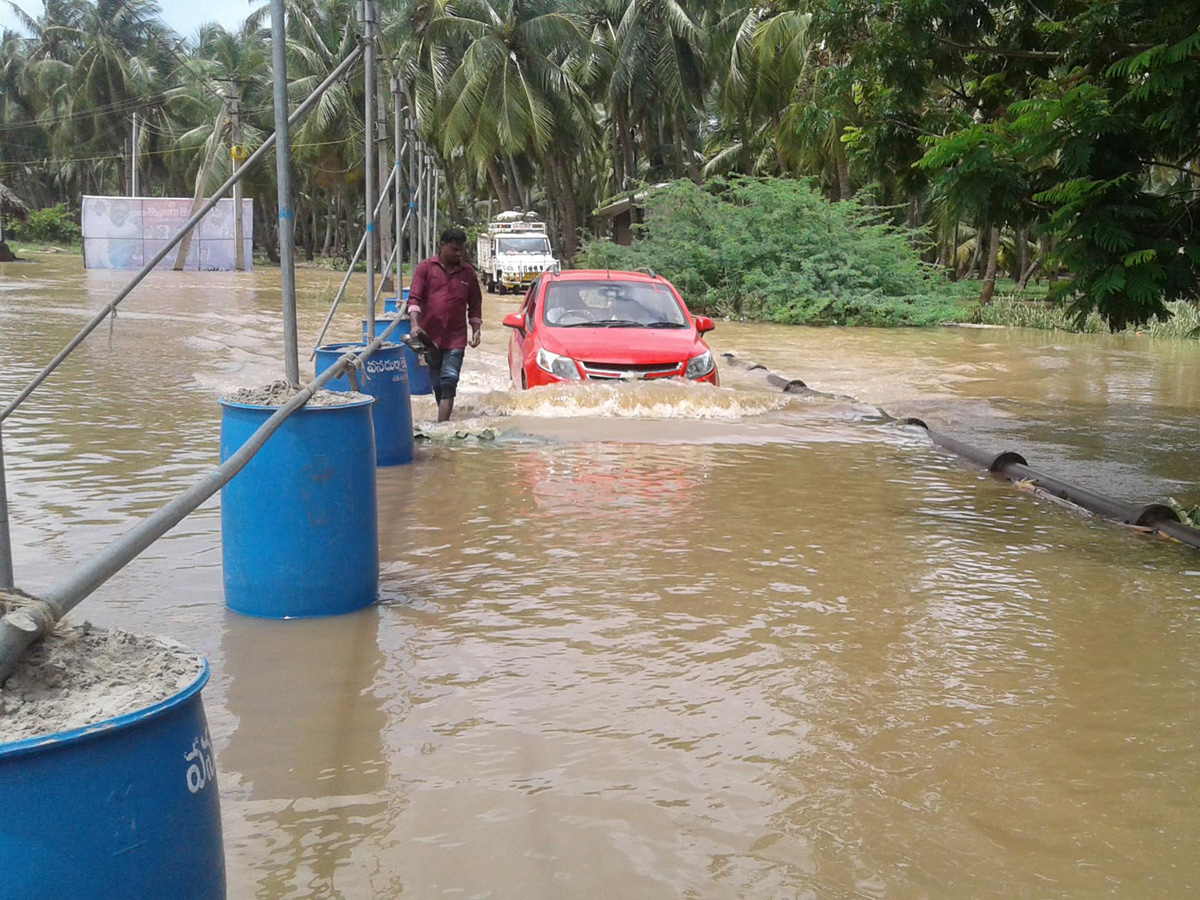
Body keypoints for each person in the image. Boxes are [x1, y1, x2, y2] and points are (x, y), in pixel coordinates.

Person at [405, 228, 483, 422]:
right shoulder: (425, 268)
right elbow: (414, 299)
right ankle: (444, 418)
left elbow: (475, 303)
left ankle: (442, 426)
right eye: (454, 249)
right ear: (442, 246)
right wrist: (414, 325)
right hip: (430, 338)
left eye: (461, 250)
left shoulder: (467, 273)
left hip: (456, 338)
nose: (458, 254)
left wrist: (476, 329)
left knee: (449, 380)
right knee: (438, 383)